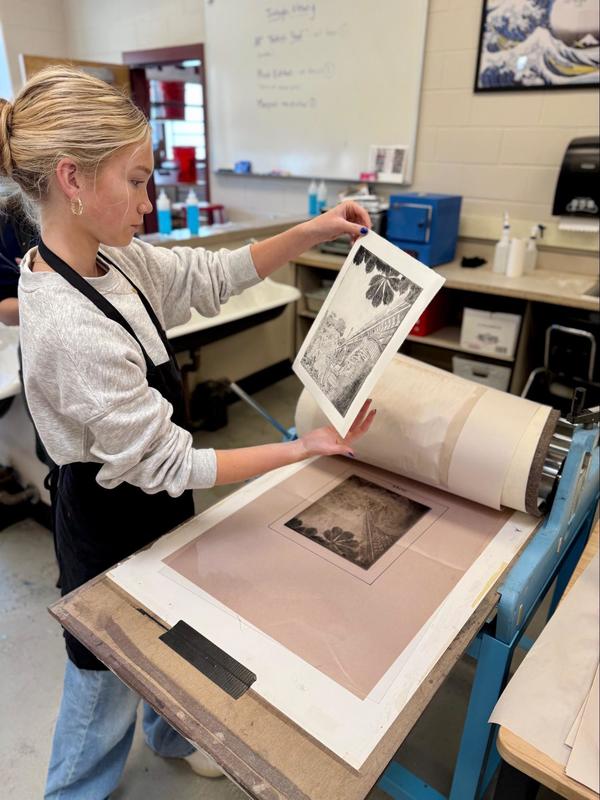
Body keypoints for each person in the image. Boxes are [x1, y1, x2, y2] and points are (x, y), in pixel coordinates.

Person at [0, 66, 376, 800]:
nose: (150, 202)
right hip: (108, 517)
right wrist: (304, 450)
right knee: (103, 674)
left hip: (149, 501)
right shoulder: (68, 327)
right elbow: (170, 463)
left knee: (168, 623)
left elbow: (208, 277)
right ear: (72, 180)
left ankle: (170, 730)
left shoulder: (115, 259)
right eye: (137, 181)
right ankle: (73, 790)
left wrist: (308, 231)